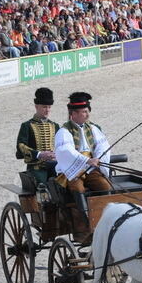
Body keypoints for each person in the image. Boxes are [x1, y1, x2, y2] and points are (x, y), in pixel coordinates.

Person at [54, 91, 113, 223]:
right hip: (73, 171)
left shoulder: (92, 128)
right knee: (78, 188)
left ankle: (105, 217)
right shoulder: (63, 132)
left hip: (91, 168)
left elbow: (102, 145)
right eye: (84, 112)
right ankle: (85, 219)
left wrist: (98, 159)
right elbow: (66, 151)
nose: (87, 115)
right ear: (73, 114)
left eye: (87, 111)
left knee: (105, 186)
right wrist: (87, 160)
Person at [16, 88, 59, 185]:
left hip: (54, 165)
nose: (47, 110)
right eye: (44, 107)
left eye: (49, 107)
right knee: (42, 187)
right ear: (36, 106)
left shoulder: (55, 126)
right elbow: (21, 146)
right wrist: (39, 154)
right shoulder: (27, 125)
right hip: (36, 167)